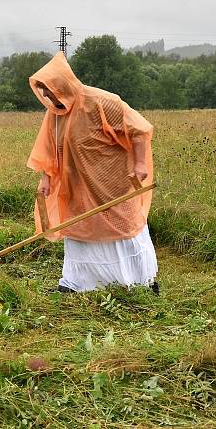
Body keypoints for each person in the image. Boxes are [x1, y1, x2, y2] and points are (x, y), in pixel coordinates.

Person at [26, 52, 158, 294]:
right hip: (76, 189)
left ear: (62, 85)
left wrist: (140, 164)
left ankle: (139, 283)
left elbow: (139, 129)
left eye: (49, 90)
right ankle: (77, 284)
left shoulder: (102, 102)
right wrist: (46, 177)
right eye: (43, 92)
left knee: (122, 229)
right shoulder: (55, 113)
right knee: (78, 230)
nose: (46, 96)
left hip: (111, 186)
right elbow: (48, 146)